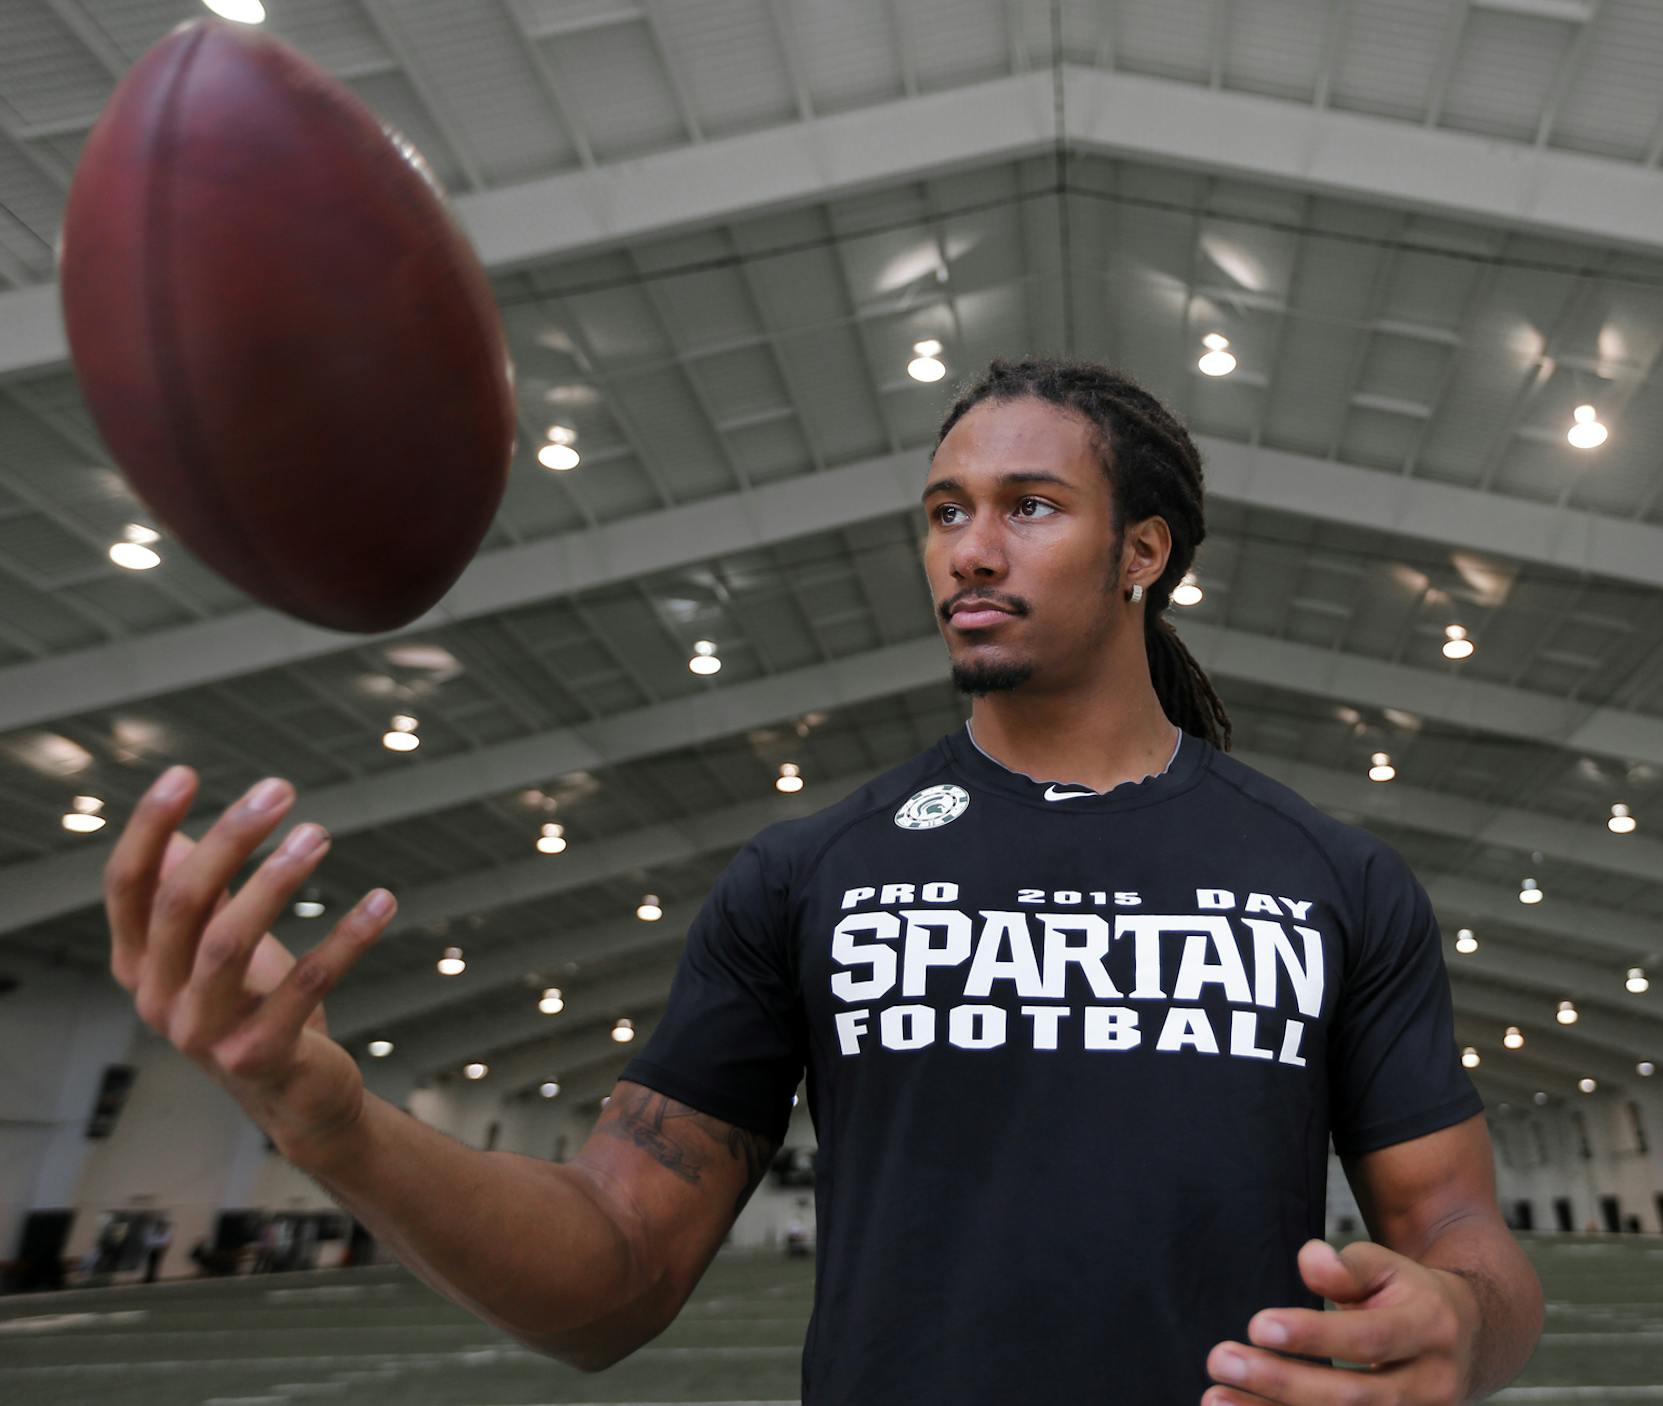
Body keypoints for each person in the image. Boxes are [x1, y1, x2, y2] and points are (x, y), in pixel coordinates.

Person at [101, 356, 1542, 1404]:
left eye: (1031, 506)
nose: (970, 549)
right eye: (944, 510)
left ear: (1143, 553)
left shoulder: (1328, 876)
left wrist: (1465, 1325)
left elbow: (1458, 1231)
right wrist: (332, 1120)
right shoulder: (814, 873)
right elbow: (612, 1272)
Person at [143, 1217, 171, 1283]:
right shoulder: (154, 1232)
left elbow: (165, 1242)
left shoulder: (164, 1233)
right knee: (151, 1264)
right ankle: (149, 1277)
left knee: (155, 1264)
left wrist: (160, 1246)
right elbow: (149, 1241)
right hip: (153, 1249)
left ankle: (152, 1278)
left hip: (158, 1250)